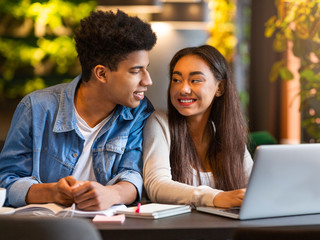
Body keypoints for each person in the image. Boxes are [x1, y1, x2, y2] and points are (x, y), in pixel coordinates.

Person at [0, 10, 157, 210]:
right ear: (101, 73)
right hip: (45, 227)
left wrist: (111, 194)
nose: (148, 80)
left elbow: (133, 173)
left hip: (110, 227)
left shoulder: (138, 112)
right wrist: (52, 192)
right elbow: (6, 181)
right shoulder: (36, 108)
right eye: (136, 71)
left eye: (146, 68)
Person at [143, 45, 253, 208]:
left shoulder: (228, 134)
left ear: (220, 87)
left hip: (225, 231)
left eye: (195, 80)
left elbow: (254, 187)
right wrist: (215, 197)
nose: (183, 89)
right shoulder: (160, 122)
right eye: (176, 80)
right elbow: (157, 186)